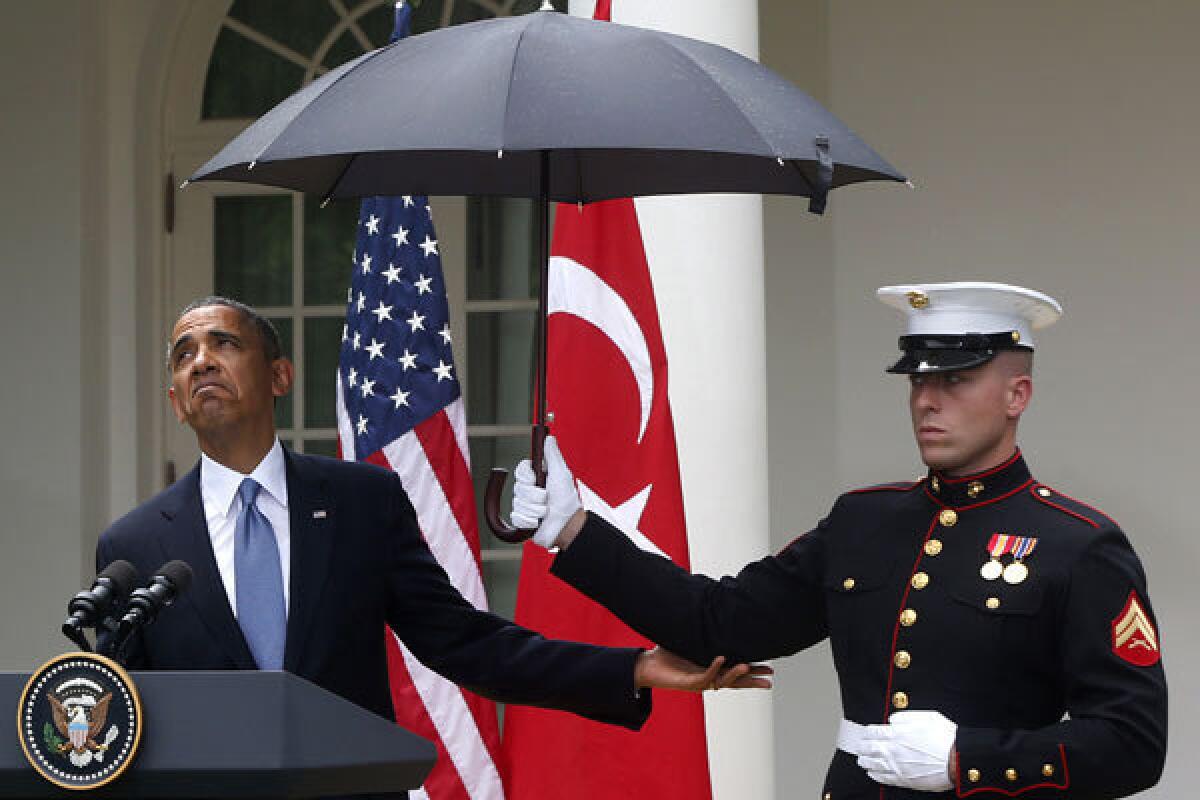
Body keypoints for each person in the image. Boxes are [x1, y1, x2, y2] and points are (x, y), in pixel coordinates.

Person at [511, 282, 1167, 798]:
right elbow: (717, 622)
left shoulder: (1077, 545)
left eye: (955, 380)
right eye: (918, 380)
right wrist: (573, 531)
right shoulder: (864, 522)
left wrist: (970, 760)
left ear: (1017, 394)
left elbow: (1132, 743)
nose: (926, 401)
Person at [96, 296, 769, 735]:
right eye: (184, 356)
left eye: (223, 344)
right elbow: (125, 721)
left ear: (279, 377)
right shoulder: (131, 548)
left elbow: (465, 643)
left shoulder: (363, 504)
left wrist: (633, 668)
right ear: (177, 403)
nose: (202, 361)